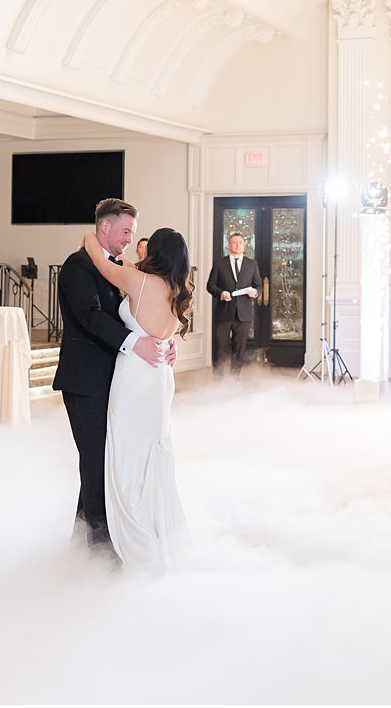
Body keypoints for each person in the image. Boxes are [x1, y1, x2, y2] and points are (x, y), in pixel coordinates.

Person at [53, 198, 174, 559]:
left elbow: (140, 312)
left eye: (132, 233)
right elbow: (89, 316)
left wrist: (164, 344)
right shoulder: (77, 265)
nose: (129, 240)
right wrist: (136, 343)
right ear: (104, 227)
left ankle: (83, 539)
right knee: (95, 460)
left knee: (104, 459)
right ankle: (101, 552)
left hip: (114, 380)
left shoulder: (115, 266)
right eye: (125, 232)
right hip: (84, 379)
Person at [80, 224, 194, 570]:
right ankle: (160, 526)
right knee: (153, 450)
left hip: (134, 376)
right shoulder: (180, 287)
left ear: (154, 252)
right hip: (160, 375)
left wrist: (93, 234)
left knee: (127, 451)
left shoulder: (139, 282)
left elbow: (100, 261)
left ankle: (135, 531)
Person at [206, 230, 260, 378]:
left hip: (244, 313)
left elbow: (258, 286)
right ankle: (218, 378)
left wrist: (254, 293)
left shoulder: (251, 264)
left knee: (239, 348)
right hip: (223, 312)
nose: (237, 245)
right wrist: (221, 293)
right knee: (219, 347)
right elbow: (210, 285)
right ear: (229, 245)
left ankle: (234, 378)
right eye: (234, 242)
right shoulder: (219, 264)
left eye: (240, 243)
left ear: (244, 245)